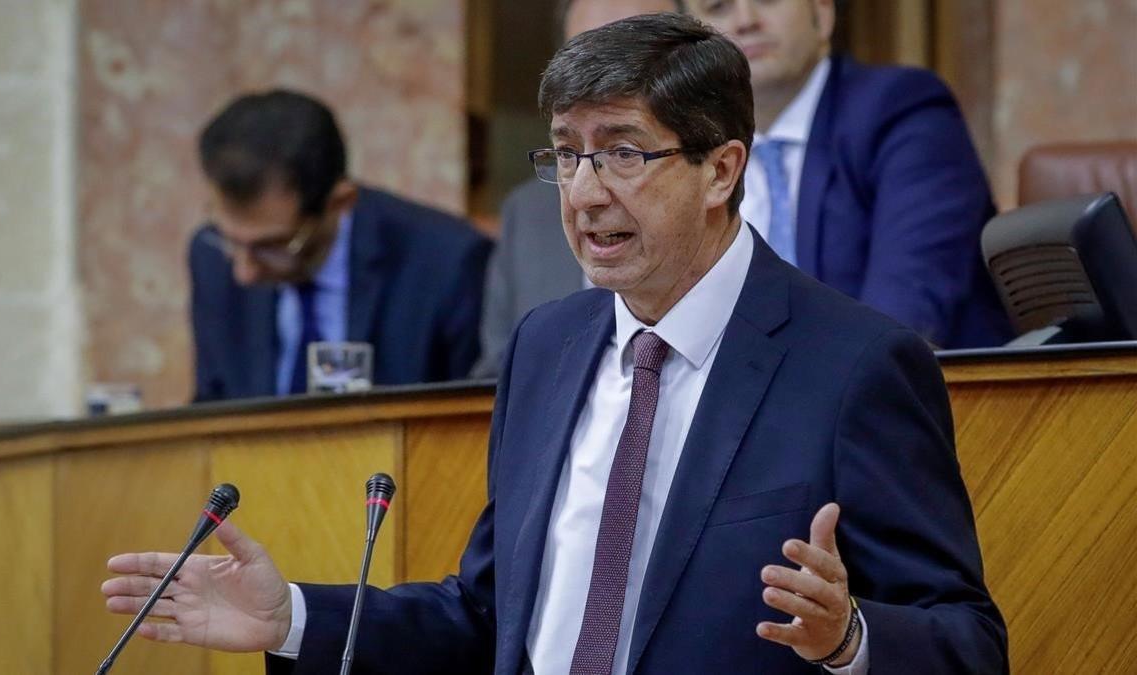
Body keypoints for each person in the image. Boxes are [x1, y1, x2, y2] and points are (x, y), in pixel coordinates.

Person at [103, 14, 1007, 674]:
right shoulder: (548, 344)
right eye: (565, 154)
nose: (581, 193)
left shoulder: (854, 364)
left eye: (622, 153)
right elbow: (486, 616)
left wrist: (850, 638)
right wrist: (292, 616)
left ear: (721, 169)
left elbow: (969, 640)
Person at [686, 0, 1011, 349]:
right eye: (718, 7)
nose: (745, 21)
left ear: (822, 13)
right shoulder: (687, 150)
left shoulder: (901, 110)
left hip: (925, 395)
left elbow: (901, 323)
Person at [189, 89, 492, 401]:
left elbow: (467, 429)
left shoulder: (447, 261)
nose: (245, 273)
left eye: (273, 246)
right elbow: (212, 405)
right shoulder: (209, 256)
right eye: (231, 241)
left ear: (340, 202)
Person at [472, 0, 684, 378]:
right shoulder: (528, 213)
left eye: (632, 59)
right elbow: (495, 385)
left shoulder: (726, 192)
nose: (585, 194)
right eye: (587, 58)